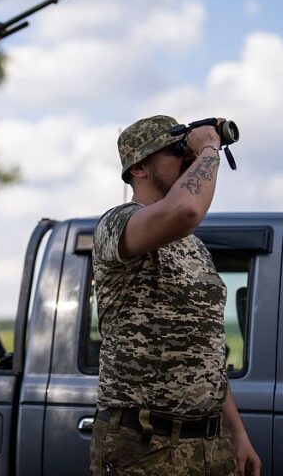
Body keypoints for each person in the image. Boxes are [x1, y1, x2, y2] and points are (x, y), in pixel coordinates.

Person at [90, 115, 261, 476]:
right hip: (144, 444)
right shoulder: (116, 224)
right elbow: (186, 208)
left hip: (208, 443)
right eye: (176, 152)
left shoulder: (195, 248)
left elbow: (205, 354)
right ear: (139, 168)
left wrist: (238, 434)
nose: (187, 159)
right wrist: (209, 148)